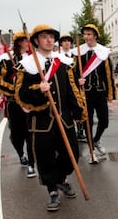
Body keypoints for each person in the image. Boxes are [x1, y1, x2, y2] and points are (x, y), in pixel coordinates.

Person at [14, 24, 85, 211]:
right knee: (45, 159)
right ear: (36, 41)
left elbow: (71, 89)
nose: (49, 40)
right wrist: (39, 90)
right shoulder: (27, 66)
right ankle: (52, 191)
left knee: (72, 156)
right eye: (44, 37)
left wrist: (78, 111)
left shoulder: (63, 63)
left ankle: (61, 179)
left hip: (64, 120)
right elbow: (20, 95)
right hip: (42, 123)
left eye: (51, 37)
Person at [72, 24, 117, 163]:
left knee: (104, 121)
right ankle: (92, 152)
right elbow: (73, 72)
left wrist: (111, 94)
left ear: (95, 36)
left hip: (100, 92)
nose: (86, 37)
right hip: (85, 94)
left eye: (89, 34)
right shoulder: (78, 52)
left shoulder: (103, 52)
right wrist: (77, 79)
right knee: (88, 122)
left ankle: (96, 140)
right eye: (84, 34)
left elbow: (109, 75)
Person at [0, 30, 36, 178]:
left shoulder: (33, 59)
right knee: (17, 134)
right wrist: (15, 90)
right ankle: (21, 153)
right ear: (20, 42)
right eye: (27, 41)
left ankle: (32, 164)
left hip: (31, 102)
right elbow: (0, 80)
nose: (29, 44)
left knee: (31, 133)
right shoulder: (7, 59)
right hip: (14, 102)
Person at [59, 34, 87, 142]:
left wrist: (81, 79)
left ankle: (80, 130)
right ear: (61, 44)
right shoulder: (57, 57)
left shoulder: (75, 56)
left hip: (76, 86)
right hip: (65, 87)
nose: (66, 43)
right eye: (64, 41)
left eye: (68, 41)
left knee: (79, 106)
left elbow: (80, 70)